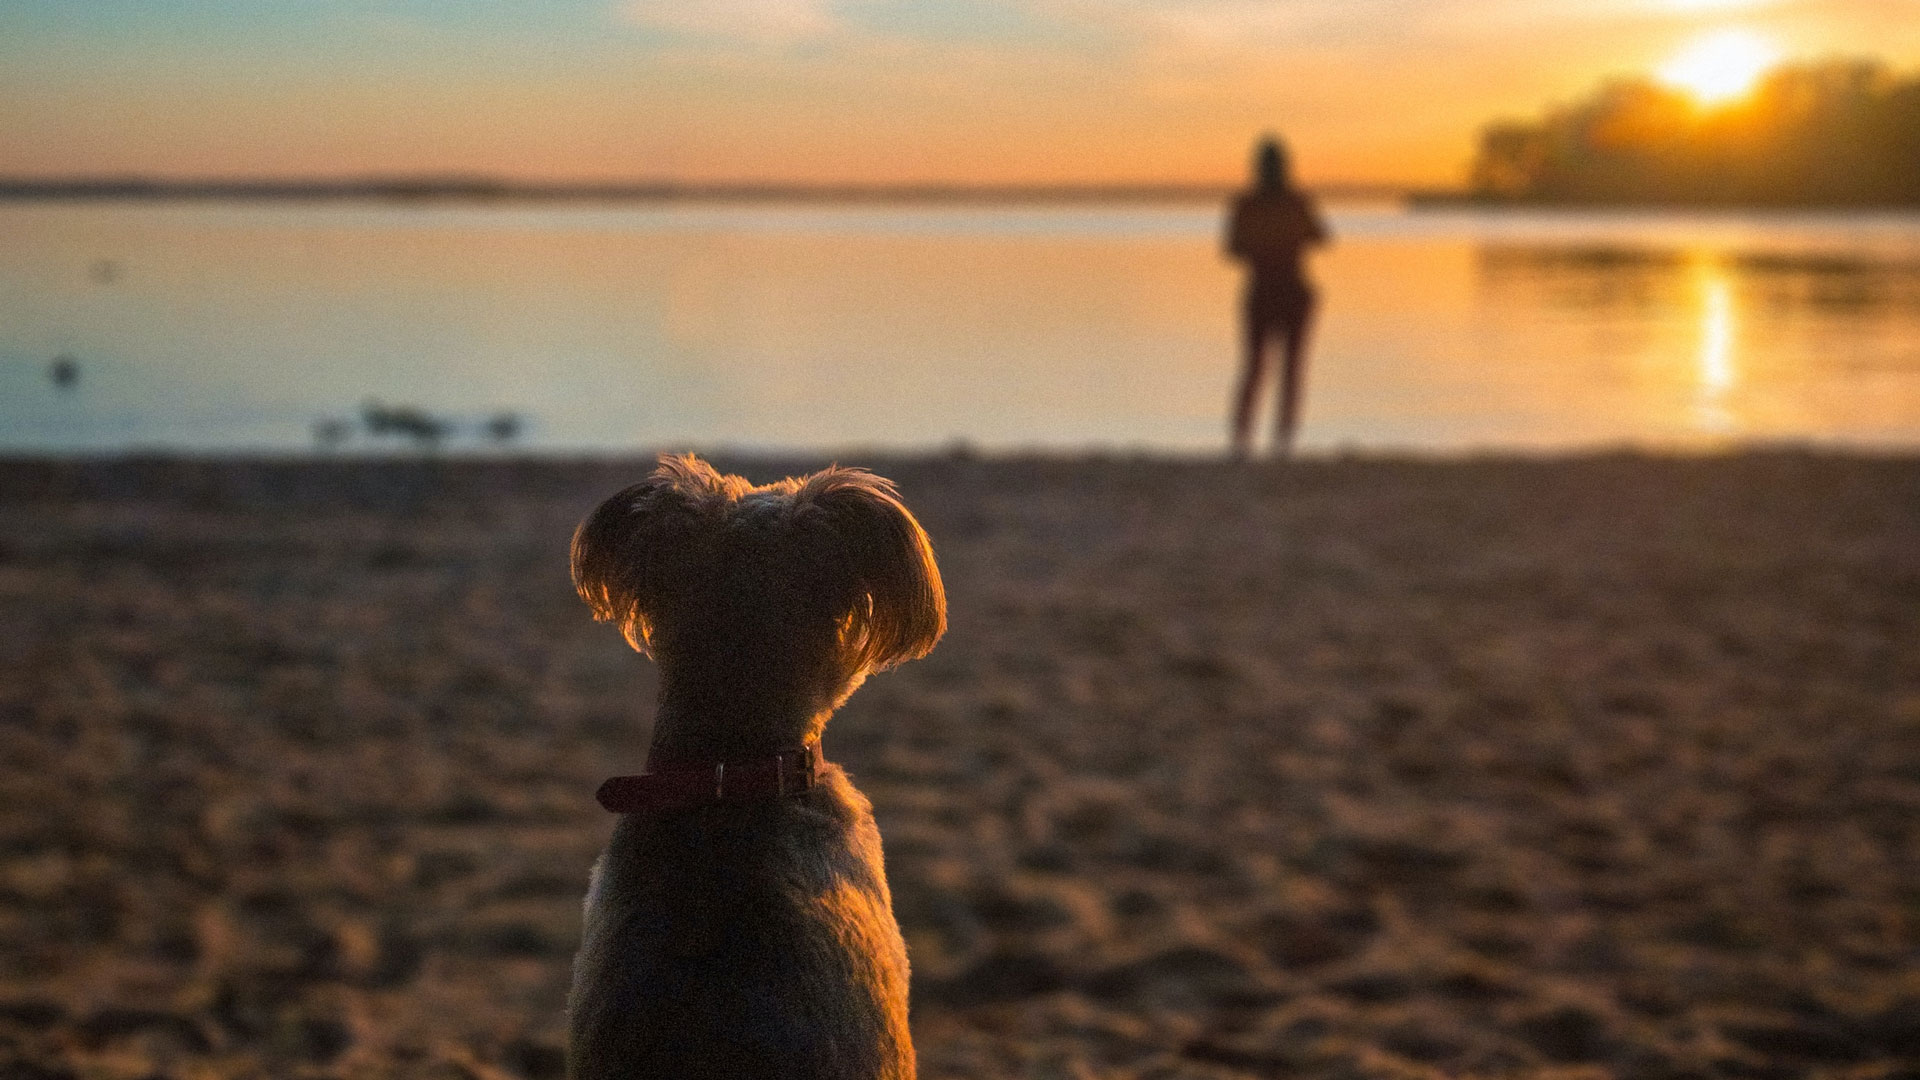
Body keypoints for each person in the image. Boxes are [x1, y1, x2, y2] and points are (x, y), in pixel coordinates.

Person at [1225, 136, 1328, 457]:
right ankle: (1249, 440)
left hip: (1287, 292)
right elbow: (1234, 249)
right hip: (1272, 291)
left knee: (1279, 368)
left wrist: (1269, 241)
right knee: (1265, 367)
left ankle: (1272, 441)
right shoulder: (1256, 203)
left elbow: (1319, 237)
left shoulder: (1288, 202)